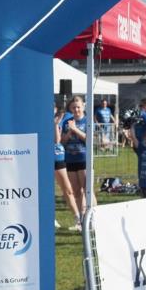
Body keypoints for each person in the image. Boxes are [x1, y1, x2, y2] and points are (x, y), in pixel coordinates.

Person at [61, 95, 94, 223]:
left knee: (88, 190)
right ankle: (82, 218)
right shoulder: (66, 122)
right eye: (73, 107)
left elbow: (89, 140)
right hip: (70, 160)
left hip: (84, 159)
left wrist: (75, 129)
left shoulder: (87, 121)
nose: (76, 110)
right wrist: (69, 131)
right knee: (76, 191)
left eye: (78, 107)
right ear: (70, 108)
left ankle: (94, 218)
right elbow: (62, 142)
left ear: (83, 107)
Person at [54, 103, 81, 230]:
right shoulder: (40, 118)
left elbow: (57, 141)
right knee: (46, 191)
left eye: (53, 107)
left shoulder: (65, 118)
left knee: (68, 190)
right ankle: (50, 218)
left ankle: (78, 219)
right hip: (43, 156)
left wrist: (55, 124)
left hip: (58, 156)